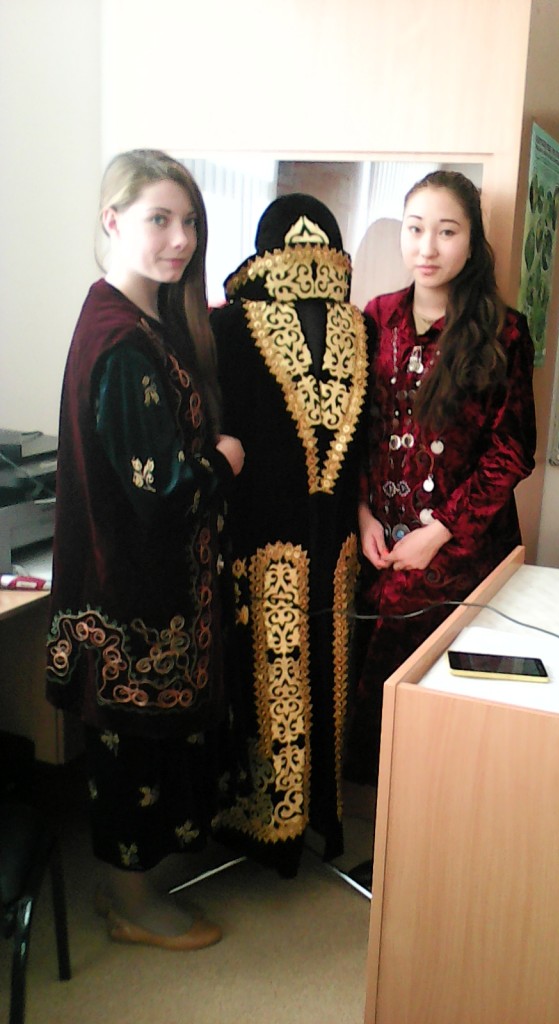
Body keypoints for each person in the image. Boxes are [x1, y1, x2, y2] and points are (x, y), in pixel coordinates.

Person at [46, 150, 245, 951]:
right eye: (159, 219)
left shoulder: (138, 323)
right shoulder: (122, 342)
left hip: (150, 595)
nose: (181, 239)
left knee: (147, 756)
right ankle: (130, 905)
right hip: (133, 603)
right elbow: (161, 491)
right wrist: (225, 461)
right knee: (132, 757)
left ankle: (134, 891)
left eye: (189, 221)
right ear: (113, 220)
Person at [345, 169, 537, 788]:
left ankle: (433, 818)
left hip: (462, 552)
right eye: (415, 229)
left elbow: (512, 451)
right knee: (370, 701)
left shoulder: (505, 331)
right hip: (378, 546)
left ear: (472, 239)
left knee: (443, 714)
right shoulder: (374, 319)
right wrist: (363, 513)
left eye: (446, 232)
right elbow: (355, 432)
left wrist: (441, 532)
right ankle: (376, 821)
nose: (427, 247)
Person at [211, 194, 371, 877]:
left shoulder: (361, 327)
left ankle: (309, 815)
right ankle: (276, 822)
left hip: (324, 549)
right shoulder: (227, 327)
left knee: (327, 681)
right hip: (267, 548)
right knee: (268, 685)